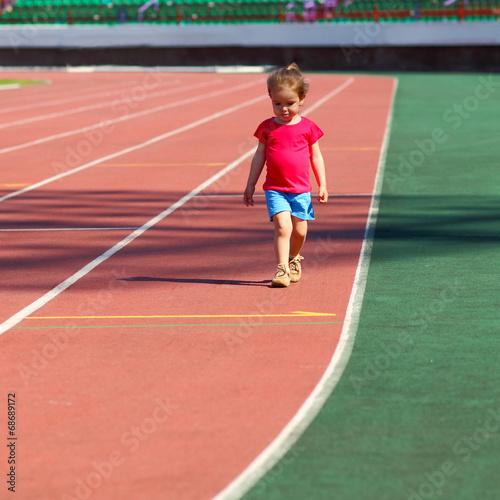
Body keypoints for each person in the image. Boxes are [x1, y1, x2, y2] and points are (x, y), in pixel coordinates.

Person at [243, 63, 328, 288]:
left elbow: (316, 157)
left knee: (300, 230)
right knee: (283, 226)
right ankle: (281, 269)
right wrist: (251, 184)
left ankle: (293, 258)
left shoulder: (309, 128)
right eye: (277, 103)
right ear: (270, 98)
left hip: (300, 189)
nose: (283, 109)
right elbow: (259, 157)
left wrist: (323, 184)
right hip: (275, 188)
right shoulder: (266, 128)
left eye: (289, 103)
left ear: (302, 99)